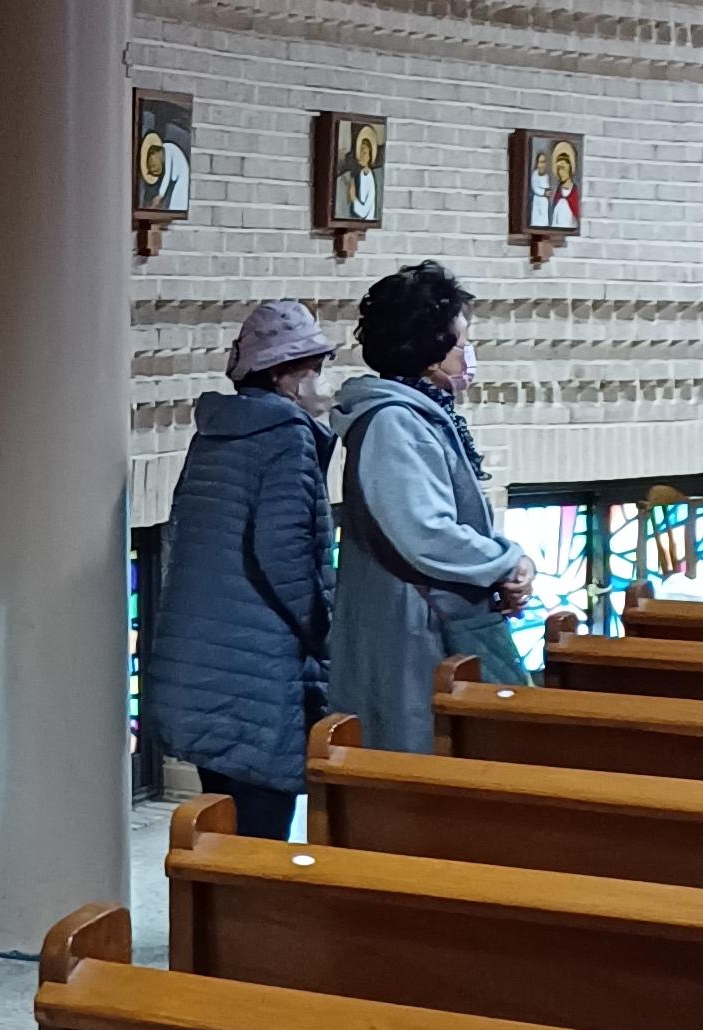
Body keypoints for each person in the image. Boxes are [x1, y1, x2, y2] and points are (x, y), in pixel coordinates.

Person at [140, 299, 337, 838]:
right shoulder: (287, 436)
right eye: (314, 367)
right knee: (261, 837)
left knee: (222, 823)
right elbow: (286, 555)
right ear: (282, 374)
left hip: (205, 662)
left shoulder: (216, 432)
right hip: (259, 673)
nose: (322, 380)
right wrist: (326, 634)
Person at [329, 260, 535, 757]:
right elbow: (424, 532)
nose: (469, 355)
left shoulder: (420, 414)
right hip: (409, 635)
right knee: (415, 763)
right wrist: (506, 562)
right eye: (462, 344)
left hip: (423, 627)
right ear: (428, 350)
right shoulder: (393, 422)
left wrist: (502, 562)